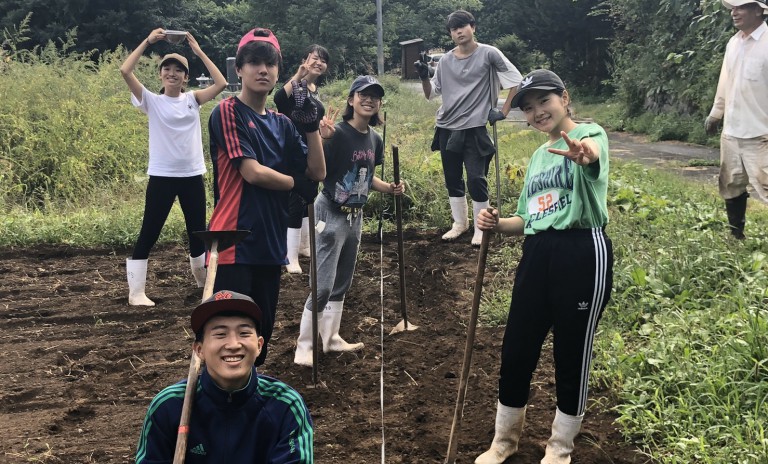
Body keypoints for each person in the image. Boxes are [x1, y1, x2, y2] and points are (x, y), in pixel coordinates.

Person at [473, 69, 613, 464]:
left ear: (564, 98)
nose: (537, 113)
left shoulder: (590, 133)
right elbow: (526, 218)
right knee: (517, 347)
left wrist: (585, 156)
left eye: (544, 102)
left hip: (582, 251)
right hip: (537, 254)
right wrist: (497, 225)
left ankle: (560, 449)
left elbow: (592, 155)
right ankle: (504, 440)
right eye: (528, 108)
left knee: (572, 352)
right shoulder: (536, 157)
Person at [207, 28, 325, 366]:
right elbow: (252, 172)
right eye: (254, 62)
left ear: (277, 71)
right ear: (239, 69)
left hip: (270, 244)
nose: (263, 70)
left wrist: (312, 125)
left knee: (260, 338)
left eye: (269, 64)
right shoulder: (227, 112)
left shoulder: (282, 123)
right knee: (230, 340)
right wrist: (293, 183)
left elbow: (317, 173)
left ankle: (249, 400)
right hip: (234, 241)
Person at [293, 76, 406, 367]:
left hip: (355, 217)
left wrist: (390, 188)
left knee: (342, 282)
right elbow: (316, 166)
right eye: (362, 95)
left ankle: (330, 339)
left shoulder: (374, 139)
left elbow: (366, 178)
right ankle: (304, 346)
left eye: (374, 96)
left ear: (380, 103)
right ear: (351, 100)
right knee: (322, 285)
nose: (368, 100)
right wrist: (321, 138)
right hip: (330, 211)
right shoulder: (337, 133)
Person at [135, 289, 313, 463]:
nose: (234, 344)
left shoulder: (285, 406)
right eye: (220, 334)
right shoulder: (169, 406)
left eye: (244, 333)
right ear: (199, 350)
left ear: (259, 346)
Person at [120, 29, 227, 306]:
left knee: (197, 233)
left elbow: (221, 82)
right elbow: (125, 70)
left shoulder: (192, 99)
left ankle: (203, 286)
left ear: (185, 77)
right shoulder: (151, 101)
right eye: (167, 68)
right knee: (149, 231)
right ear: (160, 75)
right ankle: (136, 294)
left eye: (178, 70)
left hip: (192, 176)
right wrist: (147, 41)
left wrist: (199, 51)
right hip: (162, 177)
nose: (172, 73)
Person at [414, 9, 522, 246]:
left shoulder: (489, 54)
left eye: (463, 26)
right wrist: (423, 76)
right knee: (452, 177)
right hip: (446, 126)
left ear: (473, 27)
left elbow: (516, 79)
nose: (459, 31)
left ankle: (480, 228)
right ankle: (459, 224)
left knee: (475, 178)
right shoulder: (445, 61)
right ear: (451, 34)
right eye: (454, 29)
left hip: (474, 127)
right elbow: (431, 94)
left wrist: (502, 112)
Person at [705, 0, 768, 240]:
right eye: (733, 8)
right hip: (732, 131)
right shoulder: (734, 42)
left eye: (740, 7)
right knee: (730, 184)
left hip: (761, 133)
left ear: (757, 10)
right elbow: (725, 81)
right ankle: (736, 236)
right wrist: (716, 113)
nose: (734, 12)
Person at [274, 44, 330, 273]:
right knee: (295, 201)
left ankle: (305, 246)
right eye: (315, 58)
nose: (319, 62)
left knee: (309, 197)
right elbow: (278, 99)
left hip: (312, 150)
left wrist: (324, 132)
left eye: (323, 60)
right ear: (305, 59)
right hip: (292, 151)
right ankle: (291, 257)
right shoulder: (296, 85)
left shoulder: (315, 90)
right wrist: (299, 74)